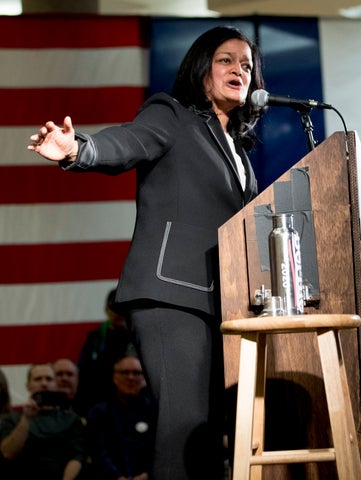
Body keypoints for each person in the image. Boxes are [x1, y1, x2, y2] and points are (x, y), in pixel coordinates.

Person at [28, 25, 266, 480]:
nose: (240, 69)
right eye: (226, 60)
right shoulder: (172, 114)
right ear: (201, 71)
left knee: (210, 432)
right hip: (169, 294)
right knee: (184, 425)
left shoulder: (239, 153)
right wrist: (78, 149)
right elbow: (127, 141)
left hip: (220, 304)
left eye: (248, 65)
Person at [0, 364, 86, 479]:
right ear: (28, 386)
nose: (44, 384)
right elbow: (8, 453)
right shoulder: (11, 418)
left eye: (49, 379)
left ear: (55, 385)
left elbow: (76, 456)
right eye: (38, 379)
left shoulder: (71, 419)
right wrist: (26, 418)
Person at [86, 355, 156, 480]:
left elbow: (161, 451)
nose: (130, 377)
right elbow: (99, 452)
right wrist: (118, 477)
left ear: (145, 378)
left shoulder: (155, 411)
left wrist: (147, 475)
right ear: (114, 377)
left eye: (136, 373)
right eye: (124, 372)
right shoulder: (99, 413)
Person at [75, 288, 134, 417]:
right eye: (113, 307)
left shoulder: (138, 337)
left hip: (131, 399)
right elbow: (83, 372)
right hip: (98, 399)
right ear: (106, 309)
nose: (117, 313)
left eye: (121, 308)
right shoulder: (96, 338)